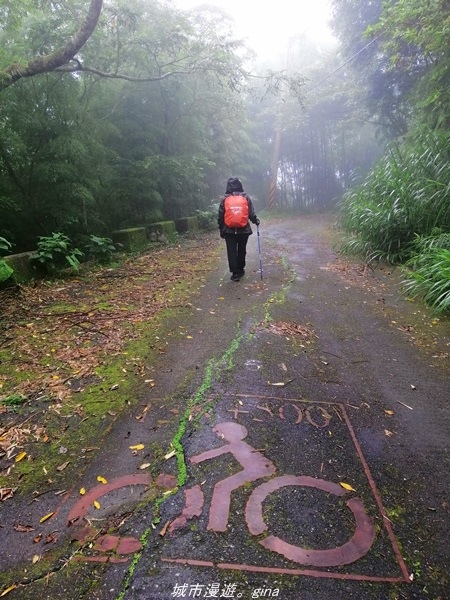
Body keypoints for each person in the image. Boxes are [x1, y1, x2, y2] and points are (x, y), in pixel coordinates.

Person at [217, 177, 260, 281]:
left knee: (231, 251)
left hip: (229, 230)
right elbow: (251, 212)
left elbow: (221, 216)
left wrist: (221, 229)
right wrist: (256, 221)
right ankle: (240, 269)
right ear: (240, 185)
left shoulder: (224, 198)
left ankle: (235, 273)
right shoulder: (245, 197)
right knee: (242, 250)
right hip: (243, 229)